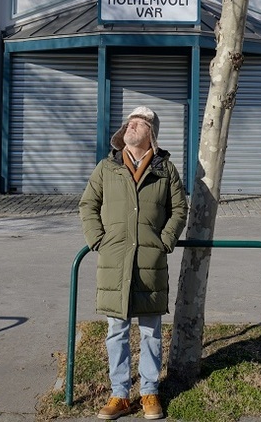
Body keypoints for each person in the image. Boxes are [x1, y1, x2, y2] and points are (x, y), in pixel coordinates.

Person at [79, 106, 189, 420]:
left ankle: (150, 392)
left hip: (150, 260)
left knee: (151, 331)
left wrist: (164, 240)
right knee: (116, 329)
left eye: (140, 123)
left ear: (151, 134)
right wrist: (97, 238)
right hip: (115, 260)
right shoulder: (107, 167)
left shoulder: (165, 168)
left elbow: (179, 209)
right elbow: (88, 204)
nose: (132, 126)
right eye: (130, 122)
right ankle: (119, 395)